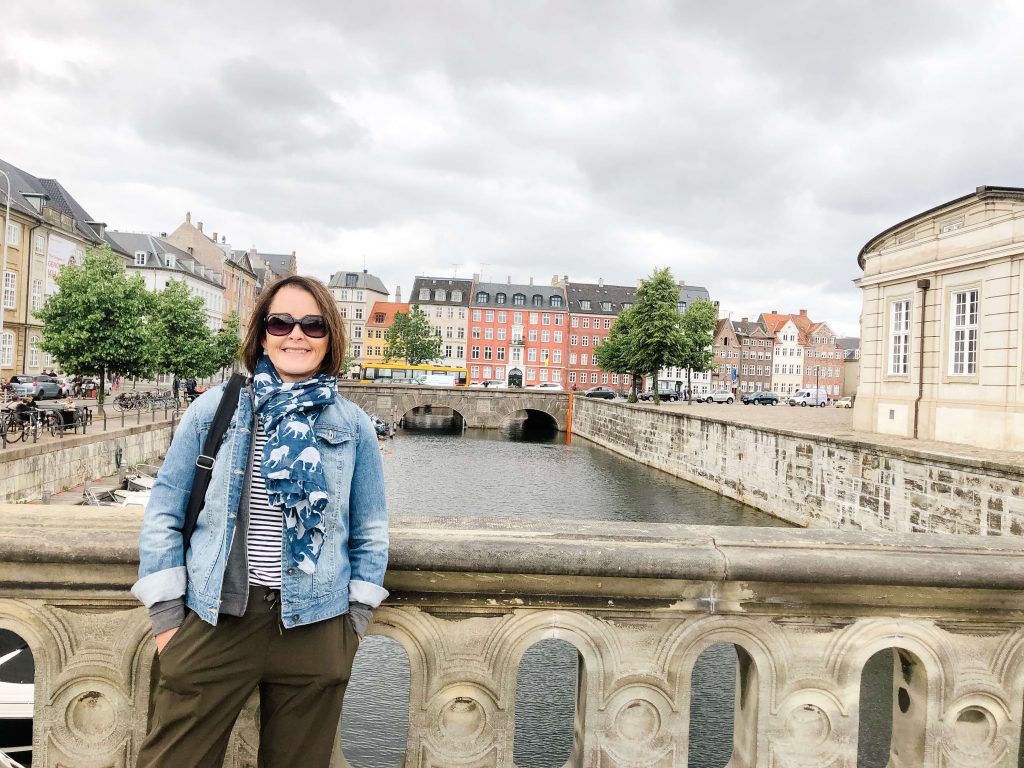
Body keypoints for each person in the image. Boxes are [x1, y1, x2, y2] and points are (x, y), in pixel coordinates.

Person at [133, 275, 389, 767]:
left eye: (312, 325)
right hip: (219, 619)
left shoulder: (352, 424)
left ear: (330, 336)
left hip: (316, 626)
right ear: (262, 334)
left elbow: (371, 532)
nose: (296, 334)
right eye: (282, 322)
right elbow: (165, 509)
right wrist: (168, 621)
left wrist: (351, 628)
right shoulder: (217, 408)